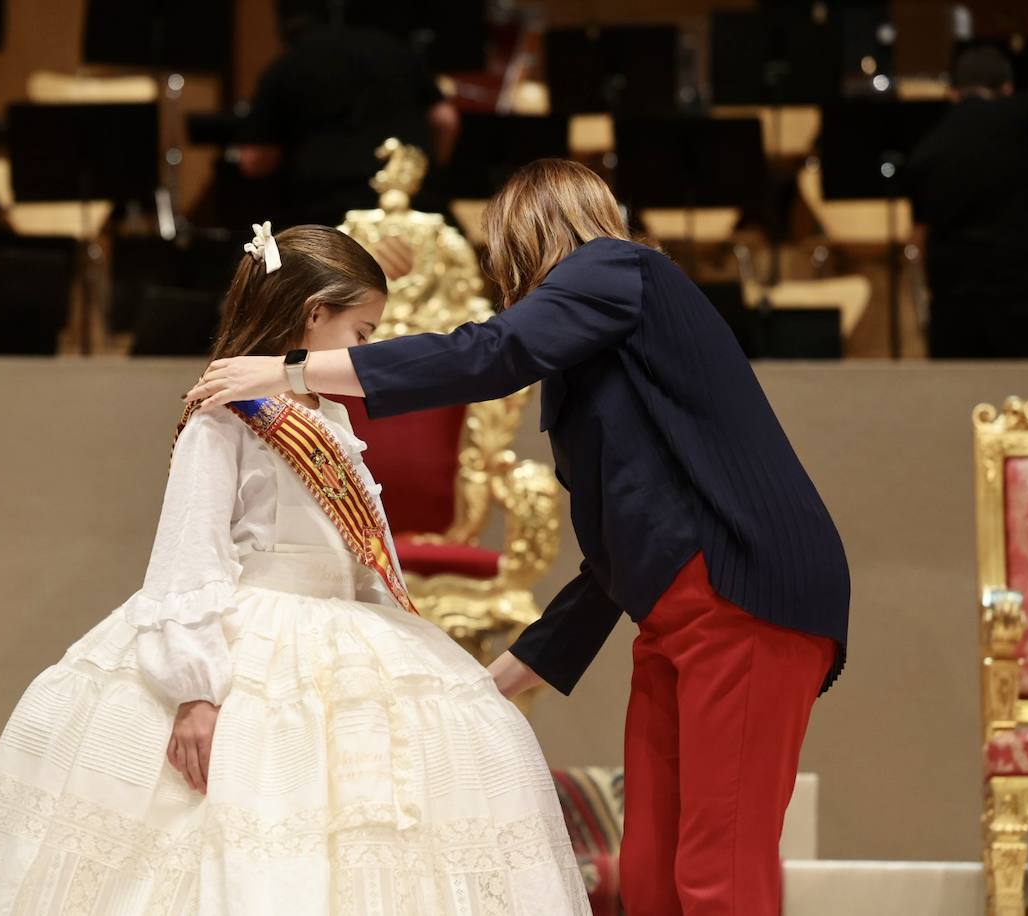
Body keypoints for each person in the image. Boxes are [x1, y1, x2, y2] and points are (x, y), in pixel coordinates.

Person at [186, 160, 851, 916]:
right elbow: (614, 555)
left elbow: (487, 353)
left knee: (717, 868)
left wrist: (292, 369)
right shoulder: (605, 341)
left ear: (529, 234)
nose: (499, 271)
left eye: (500, 251)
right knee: (653, 867)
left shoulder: (617, 269)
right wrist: (495, 681)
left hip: (743, 588)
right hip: (680, 610)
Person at [0, 224, 590, 915]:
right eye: (361, 333)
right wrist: (195, 692)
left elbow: (361, 551)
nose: (367, 351)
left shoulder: (328, 413)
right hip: (250, 639)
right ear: (314, 315)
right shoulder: (227, 416)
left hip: (345, 636)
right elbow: (189, 559)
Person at [905, 45, 1028, 358]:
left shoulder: (928, 147)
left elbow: (920, 240)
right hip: (1027, 299)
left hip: (956, 315)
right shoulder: (1024, 109)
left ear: (952, 94)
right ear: (1007, 88)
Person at [236, 2, 459, 228]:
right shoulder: (398, 50)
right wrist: (432, 172)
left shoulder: (287, 64)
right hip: (416, 210)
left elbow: (255, 161)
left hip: (323, 219)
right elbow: (445, 121)